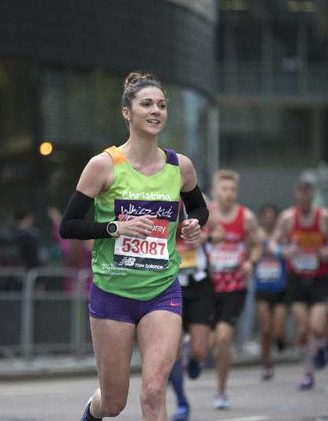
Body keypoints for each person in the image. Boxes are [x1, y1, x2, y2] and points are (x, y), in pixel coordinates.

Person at [59, 71, 209, 421]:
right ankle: (91, 413)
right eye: (147, 104)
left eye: (162, 105)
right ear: (127, 112)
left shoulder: (180, 167)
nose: (156, 111)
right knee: (113, 403)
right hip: (113, 292)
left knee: (155, 389)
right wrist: (115, 227)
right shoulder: (104, 166)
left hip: (161, 290)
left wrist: (193, 223)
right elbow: (69, 226)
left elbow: (199, 207)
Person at [269, 176, 328, 390]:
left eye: (308, 192)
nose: (304, 196)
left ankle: (321, 345)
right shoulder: (287, 218)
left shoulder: (324, 217)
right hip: (296, 279)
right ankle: (307, 372)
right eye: (301, 192)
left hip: (319, 278)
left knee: (317, 327)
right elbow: (273, 241)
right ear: (296, 194)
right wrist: (282, 251)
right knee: (303, 328)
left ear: (313, 194)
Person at [206, 169, 262, 409]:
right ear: (214, 191)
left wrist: (251, 261)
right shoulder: (206, 215)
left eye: (232, 190)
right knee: (206, 342)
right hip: (206, 286)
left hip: (234, 286)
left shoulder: (246, 217)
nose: (229, 194)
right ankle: (195, 356)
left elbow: (257, 245)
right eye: (224, 189)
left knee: (224, 337)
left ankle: (220, 391)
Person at [168, 203, 214, 421]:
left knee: (199, 349)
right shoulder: (153, 199)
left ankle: (195, 358)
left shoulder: (198, 201)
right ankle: (182, 402)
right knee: (171, 350)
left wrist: (205, 235)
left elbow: (219, 229)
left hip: (198, 286)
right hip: (168, 284)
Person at [253, 204, 288, 381]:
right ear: (261, 218)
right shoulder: (256, 235)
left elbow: (290, 252)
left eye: (271, 216)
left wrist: (278, 249)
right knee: (265, 329)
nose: (269, 219)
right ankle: (266, 363)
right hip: (262, 288)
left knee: (278, 329)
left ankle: (281, 340)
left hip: (280, 287)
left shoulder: (281, 236)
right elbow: (251, 253)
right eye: (265, 216)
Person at [48, 206, 93, 293]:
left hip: (71, 285)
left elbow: (59, 233)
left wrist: (56, 219)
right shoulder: (89, 248)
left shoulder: (67, 246)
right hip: (88, 286)